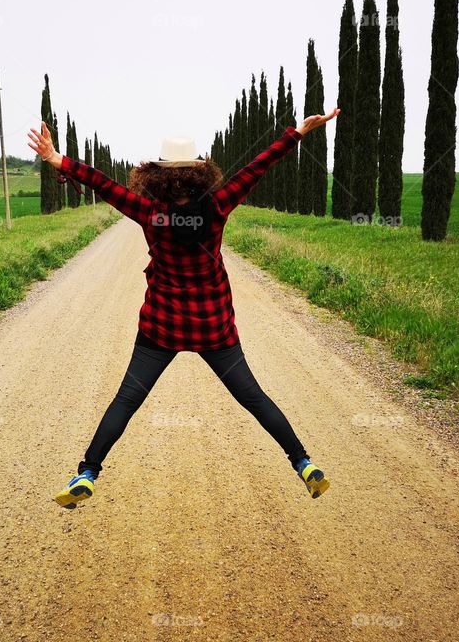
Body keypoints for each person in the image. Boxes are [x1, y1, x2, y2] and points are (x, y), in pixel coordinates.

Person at [27, 107, 340, 508]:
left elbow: (104, 185)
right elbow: (257, 167)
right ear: (199, 173)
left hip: (161, 329)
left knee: (126, 400)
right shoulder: (221, 203)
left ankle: (87, 472)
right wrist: (296, 133)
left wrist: (59, 160)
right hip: (215, 330)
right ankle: (303, 463)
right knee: (254, 398)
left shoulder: (149, 213)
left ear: (158, 175)